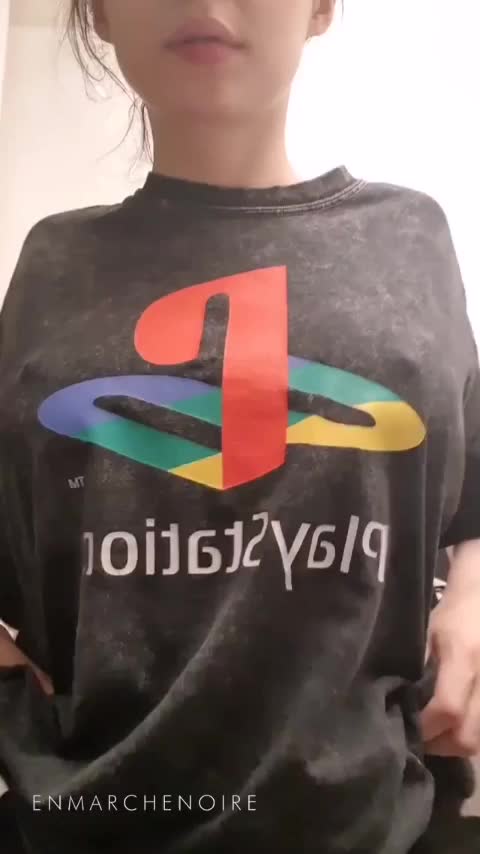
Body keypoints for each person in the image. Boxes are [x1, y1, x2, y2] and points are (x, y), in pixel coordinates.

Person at [1, 1, 480, 852]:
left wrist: (476, 591)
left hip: (373, 823)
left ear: (321, 7)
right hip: (87, 823)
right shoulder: (50, 267)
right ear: (101, 12)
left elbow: (469, 484)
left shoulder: (413, 240)